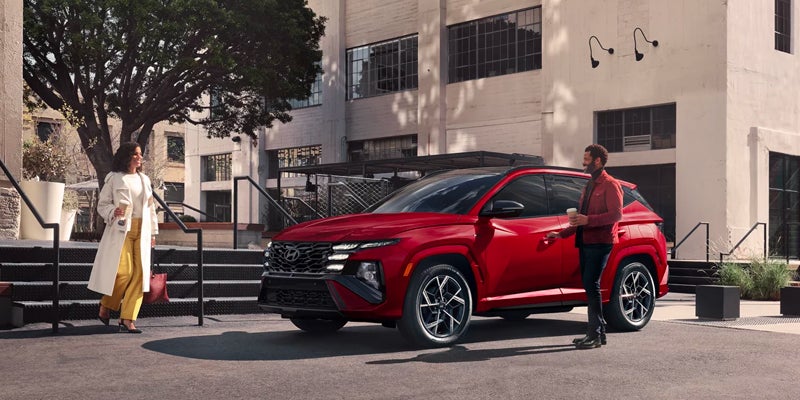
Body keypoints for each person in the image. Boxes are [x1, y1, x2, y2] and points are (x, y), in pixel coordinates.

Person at [547, 144, 623, 349]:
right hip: (585, 241)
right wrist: (560, 234)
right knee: (590, 287)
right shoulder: (589, 185)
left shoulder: (610, 184)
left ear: (597, 161)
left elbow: (616, 215)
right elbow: (579, 220)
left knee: (592, 286)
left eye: (587, 159)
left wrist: (588, 220)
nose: (584, 163)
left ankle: (595, 334)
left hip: (601, 242)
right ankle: (599, 333)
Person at [88, 142, 159, 333]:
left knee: (140, 275)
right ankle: (107, 305)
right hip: (121, 231)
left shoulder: (144, 180)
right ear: (126, 156)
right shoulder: (114, 178)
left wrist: (153, 232)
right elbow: (102, 205)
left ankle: (128, 318)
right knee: (124, 272)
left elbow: (151, 208)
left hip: (142, 231)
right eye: (135, 154)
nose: (139, 157)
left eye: (140, 154)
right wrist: (113, 211)